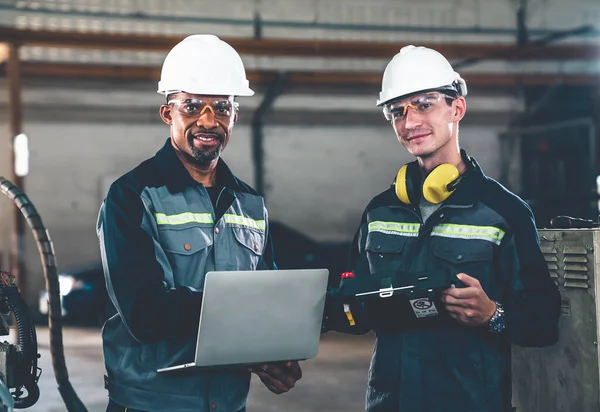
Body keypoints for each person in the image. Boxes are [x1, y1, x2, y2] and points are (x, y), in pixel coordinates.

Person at [324, 45, 561, 412]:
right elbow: (354, 311)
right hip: (390, 403)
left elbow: (544, 321)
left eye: (424, 104)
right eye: (397, 111)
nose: (410, 122)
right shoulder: (379, 211)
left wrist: (493, 314)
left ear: (457, 108)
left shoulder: (504, 212)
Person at [96, 34, 301, 412]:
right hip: (150, 402)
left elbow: (268, 300)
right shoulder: (132, 196)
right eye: (192, 106)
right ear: (167, 113)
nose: (208, 120)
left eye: (222, 108)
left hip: (226, 401)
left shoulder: (251, 204)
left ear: (235, 116)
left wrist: (274, 355)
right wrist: (239, 311)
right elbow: (144, 313)